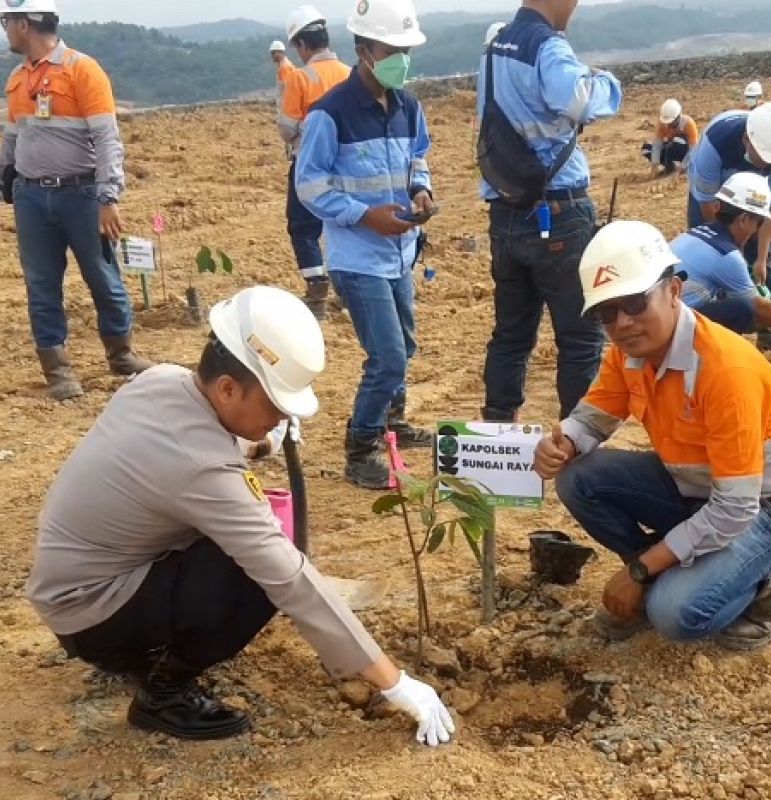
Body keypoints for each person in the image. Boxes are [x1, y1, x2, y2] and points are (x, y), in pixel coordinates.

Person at [26, 286, 455, 746]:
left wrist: (266, 441)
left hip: (73, 592)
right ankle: (163, 693)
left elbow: (200, 446)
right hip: (94, 616)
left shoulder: (163, 381)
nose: (281, 415)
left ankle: (150, 644)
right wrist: (394, 682)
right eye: (275, 403)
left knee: (243, 549)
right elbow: (288, 576)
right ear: (228, 388)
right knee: (256, 572)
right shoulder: (201, 468)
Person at [534, 221, 771, 651]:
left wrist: (641, 570)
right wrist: (565, 443)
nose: (622, 323)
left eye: (633, 302)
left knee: (674, 614)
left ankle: (762, 583)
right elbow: (594, 416)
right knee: (578, 477)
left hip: (766, 509)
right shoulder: (629, 351)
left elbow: (736, 507)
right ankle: (674, 573)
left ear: (674, 291)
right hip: (697, 491)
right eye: (607, 312)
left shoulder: (726, 371)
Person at [295, 0, 435, 489]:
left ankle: (393, 421)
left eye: (406, 49)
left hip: (400, 253)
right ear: (363, 50)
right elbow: (309, 185)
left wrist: (422, 190)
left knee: (405, 344)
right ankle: (361, 446)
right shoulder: (329, 115)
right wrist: (364, 216)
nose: (401, 57)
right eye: (391, 49)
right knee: (388, 357)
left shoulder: (408, 106)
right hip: (358, 258)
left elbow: (419, 159)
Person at [0, 0, 153, 401]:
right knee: (41, 284)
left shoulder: (83, 70)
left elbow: (106, 138)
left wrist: (108, 196)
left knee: (103, 277)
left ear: (25, 23)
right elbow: (13, 136)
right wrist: (7, 175)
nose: (5, 30)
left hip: (82, 195)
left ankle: (121, 355)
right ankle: (58, 371)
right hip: (31, 196)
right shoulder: (17, 78)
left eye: (7, 22)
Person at [478, 0, 622, 423]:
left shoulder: (495, 45)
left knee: (511, 336)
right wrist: (606, 82)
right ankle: (577, 446)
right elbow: (580, 102)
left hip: (506, 211)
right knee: (579, 338)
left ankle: (498, 432)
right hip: (559, 211)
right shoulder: (548, 48)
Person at [686, 101, 771, 351]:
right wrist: (729, 253)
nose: (764, 167)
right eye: (762, 160)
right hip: (714, 196)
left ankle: (767, 329)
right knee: (712, 255)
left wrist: (759, 257)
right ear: (747, 140)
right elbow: (708, 208)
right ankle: (715, 331)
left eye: (770, 164)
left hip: (754, 200)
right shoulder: (715, 144)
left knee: (763, 263)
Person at [671, 172, 771, 346]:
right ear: (744, 219)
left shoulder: (695, 234)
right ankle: (709, 356)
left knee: (729, 299)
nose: (755, 231)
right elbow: (757, 306)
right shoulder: (726, 255)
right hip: (673, 327)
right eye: (758, 223)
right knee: (742, 310)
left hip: (663, 315)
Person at [278, 5, 351, 321]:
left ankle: (318, 288)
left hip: (309, 163)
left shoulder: (299, 78)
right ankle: (349, 293)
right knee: (342, 223)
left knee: (303, 226)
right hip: (346, 163)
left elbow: (287, 126)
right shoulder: (349, 73)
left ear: (301, 45)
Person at [642, 99, 698, 177]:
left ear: (678, 116)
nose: (668, 124)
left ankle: (678, 167)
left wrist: (684, 166)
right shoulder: (662, 123)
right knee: (646, 149)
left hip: (683, 152)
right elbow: (657, 145)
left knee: (677, 141)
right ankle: (671, 167)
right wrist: (654, 167)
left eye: (671, 122)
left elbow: (693, 149)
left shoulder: (688, 123)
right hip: (669, 149)